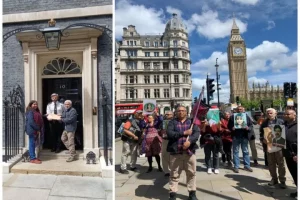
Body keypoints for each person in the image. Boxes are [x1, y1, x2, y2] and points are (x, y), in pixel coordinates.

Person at [167, 106, 200, 200]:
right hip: (176, 152)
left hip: (189, 153)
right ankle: (172, 193)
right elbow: (170, 134)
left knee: (191, 173)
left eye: (183, 111)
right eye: (179, 111)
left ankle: (192, 193)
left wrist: (190, 142)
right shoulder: (172, 122)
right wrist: (184, 133)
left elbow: (196, 133)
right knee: (174, 174)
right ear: (176, 112)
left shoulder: (192, 122)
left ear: (186, 112)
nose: (181, 112)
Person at [260, 108, 286, 187]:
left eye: (271, 113)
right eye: (268, 113)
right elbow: (261, 133)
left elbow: (285, 132)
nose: (269, 114)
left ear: (275, 113)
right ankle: (274, 179)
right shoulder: (264, 123)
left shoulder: (281, 122)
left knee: (281, 163)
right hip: (269, 145)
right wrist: (262, 139)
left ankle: (282, 180)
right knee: (271, 163)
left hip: (279, 145)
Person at [228, 106, 253, 173]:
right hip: (236, 136)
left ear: (243, 110)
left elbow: (251, 126)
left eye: (241, 109)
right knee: (235, 151)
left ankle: (247, 166)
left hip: (244, 136)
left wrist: (248, 128)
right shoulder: (232, 117)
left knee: (245, 151)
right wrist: (232, 128)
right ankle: (236, 166)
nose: (239, 110)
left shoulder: (247, 116)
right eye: (238, 109)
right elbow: (229, 126)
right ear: (236, 110)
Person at [283, 109, 297, 198]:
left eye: (288, 114)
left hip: (296, 154)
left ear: (294, 115)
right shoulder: (283, 125)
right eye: (285, 114)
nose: (286, 115)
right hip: (287, 153)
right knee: (294, 174)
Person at [160, 111, 174, 177]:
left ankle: (173, 169)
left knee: (173, 156)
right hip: (165, 140)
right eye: (166, 114)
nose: (167, 115)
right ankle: (166, 171)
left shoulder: (175, 121)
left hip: (173, 140)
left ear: (172, 115)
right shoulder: (163, 122)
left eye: (169, 114)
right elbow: (159, 129)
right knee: (164, 155)